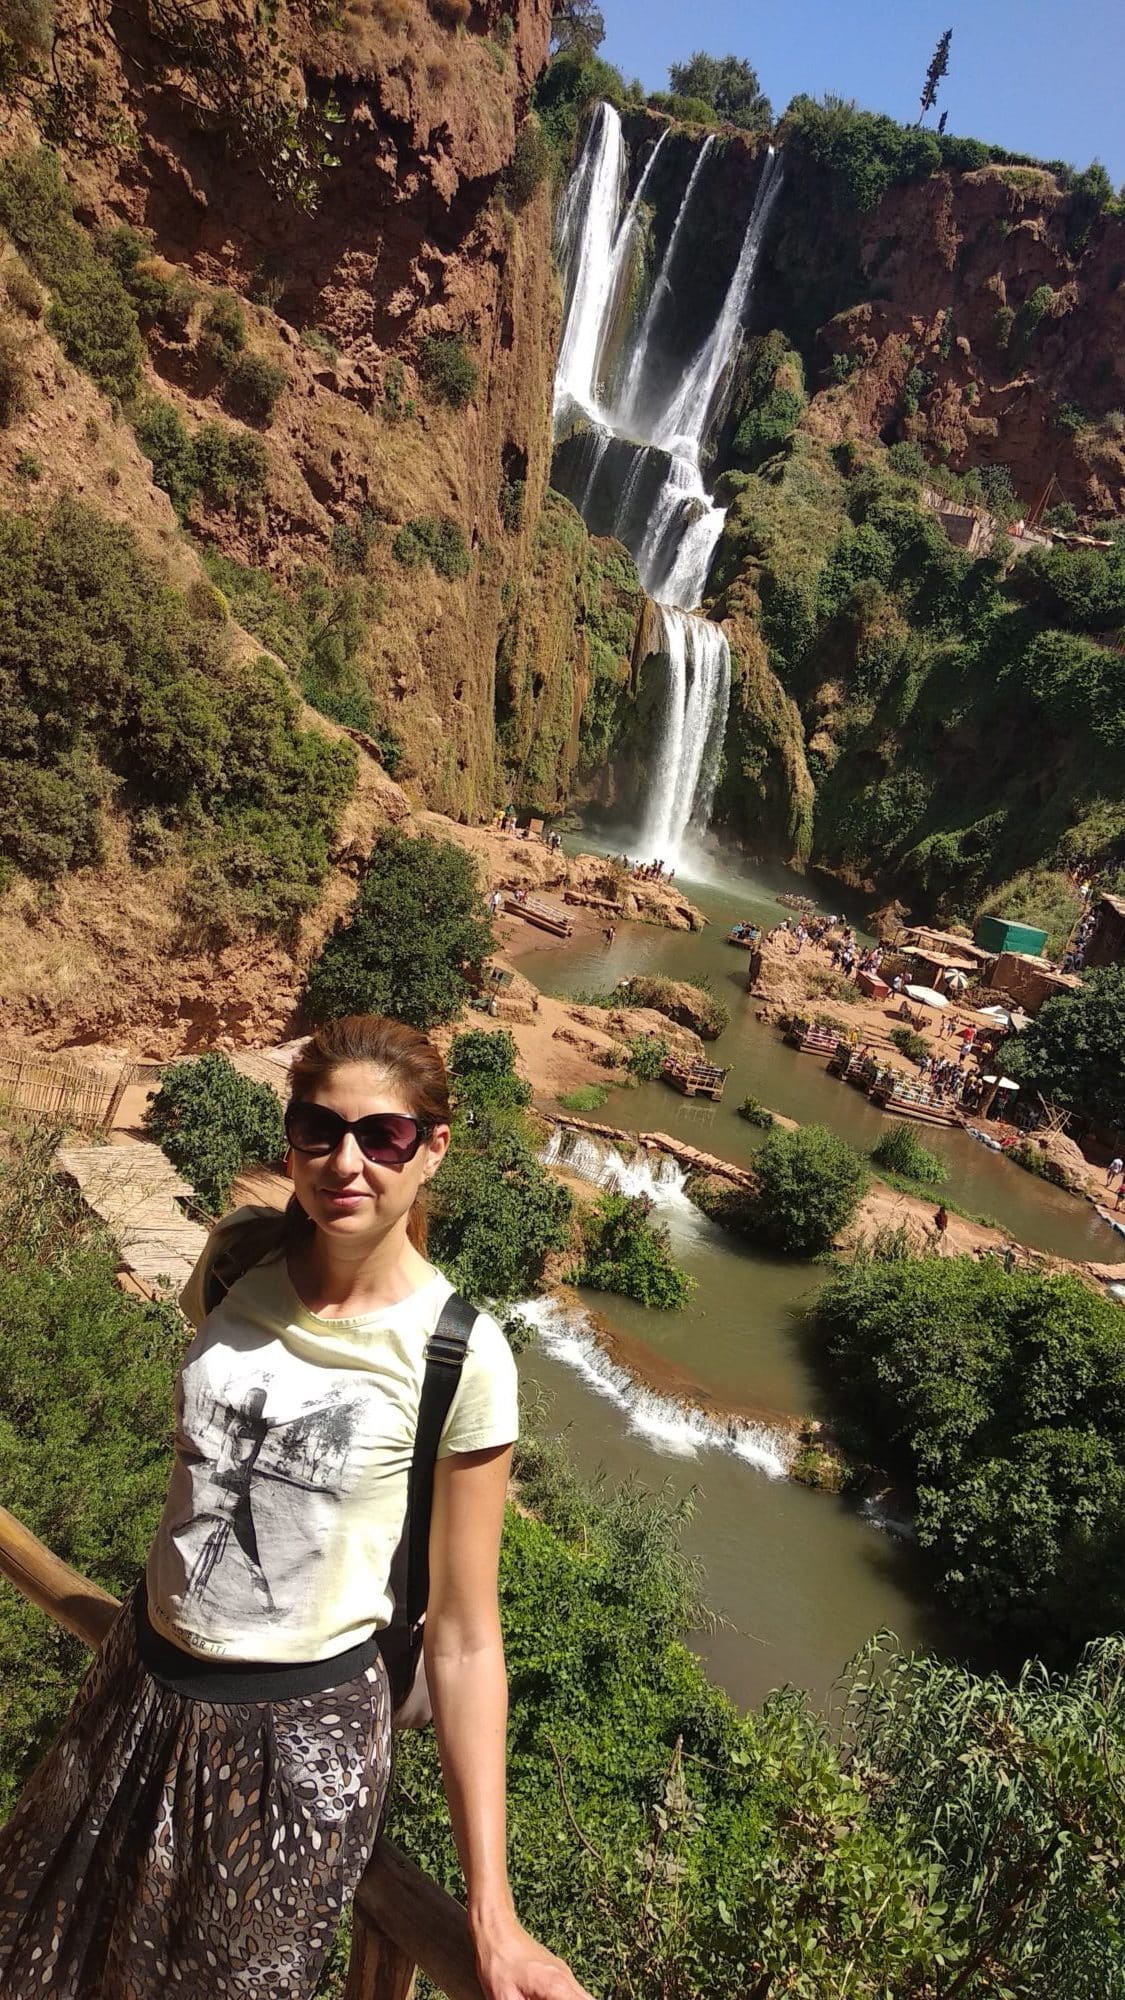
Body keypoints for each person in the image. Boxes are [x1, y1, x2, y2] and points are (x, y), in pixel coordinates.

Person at [0, 1015, 591, 2000]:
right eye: (320, 1129)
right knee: (41, 1952)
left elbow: (465, 1634)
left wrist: (492, 1910)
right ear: (292, 1138)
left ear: (432, 1148)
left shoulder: (459, 1354)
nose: (346, 1162)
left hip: (294, 1743)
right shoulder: (238, 1260)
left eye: (383, 1136)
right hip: (138, 1681)